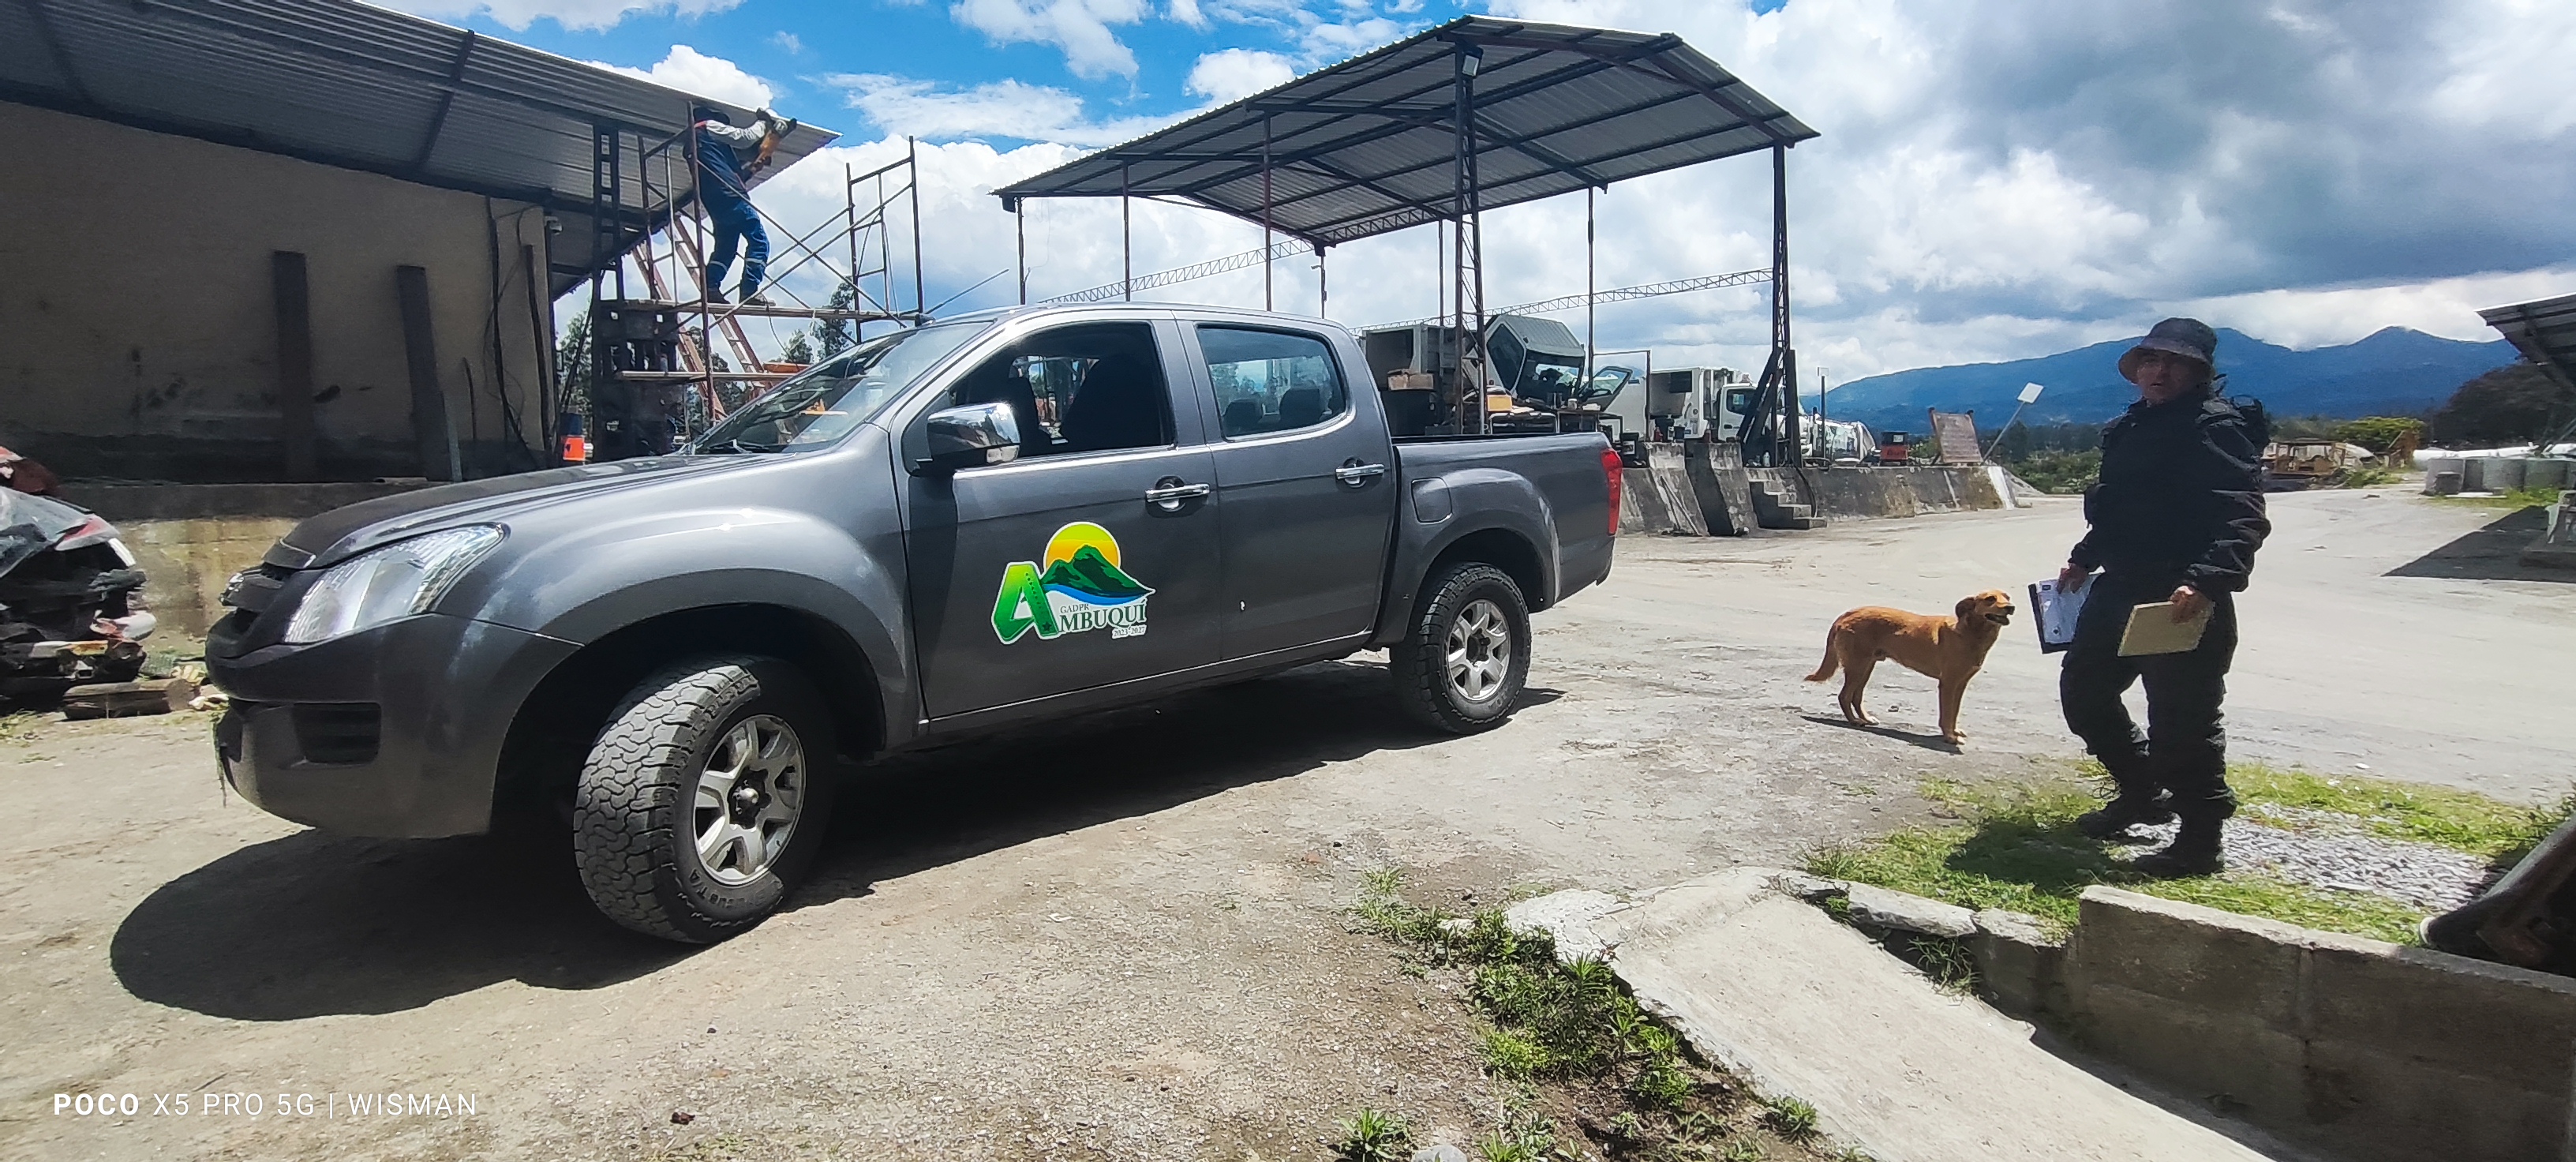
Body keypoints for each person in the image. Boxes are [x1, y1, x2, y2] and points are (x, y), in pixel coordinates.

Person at [2055, 317, 2271, 877]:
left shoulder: (2216, 428)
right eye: (2151, 360)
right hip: (2119, 586)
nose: (2159, 371)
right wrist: (2084, 557)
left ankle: (2200, 840)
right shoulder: (2129, 427)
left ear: (2199, 372)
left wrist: (2206, 581)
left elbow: (2242, 517)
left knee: (2182, 723)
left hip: (2181, 596)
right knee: (2084, 694)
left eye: (2175, 363)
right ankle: (2142, 794)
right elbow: (2118, 508)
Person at [691, 105, 777, 306]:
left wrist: (754, 167)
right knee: (759, 242)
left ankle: (710, 288)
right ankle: (749, 292)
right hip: (732, 197)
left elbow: (732, 176)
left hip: (715, 200)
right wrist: (765, 122)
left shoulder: (704, 150)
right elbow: (744, 137)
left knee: (726, 248)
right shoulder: (707, 126)